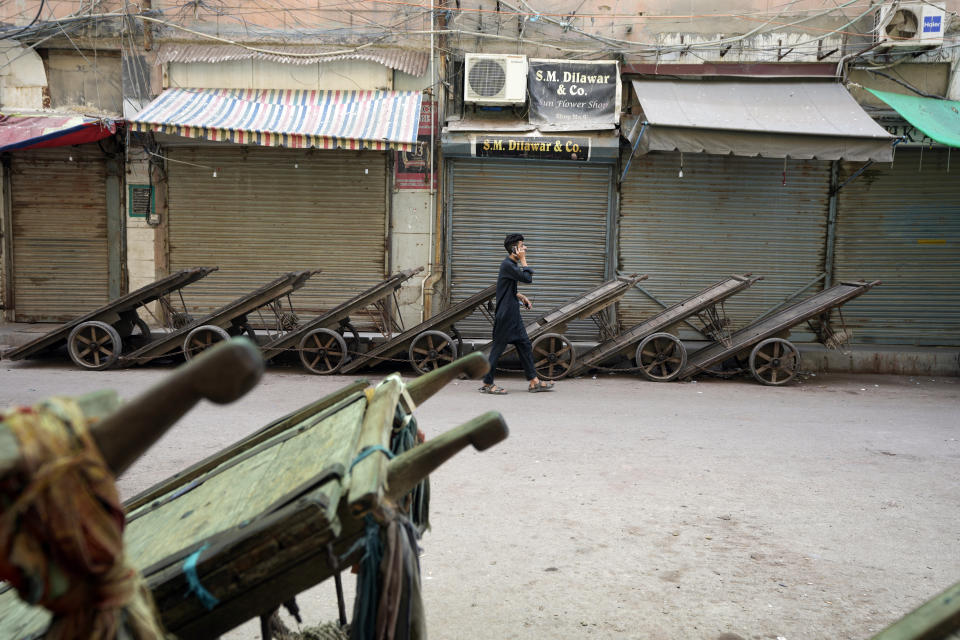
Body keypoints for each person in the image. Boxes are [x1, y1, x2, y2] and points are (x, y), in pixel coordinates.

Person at [479, 233, 555, 394]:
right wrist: (523, 260)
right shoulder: (508, 265)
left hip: (512, 314)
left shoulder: (510, 266)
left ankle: (534, 381)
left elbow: (505, 288)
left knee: (525, 345)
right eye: (522, 245)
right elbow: (527, 279)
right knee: (498, 349)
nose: (525, 248)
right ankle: (487, 384)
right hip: (506, 316)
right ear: (514, 248)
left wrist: (520, 296)